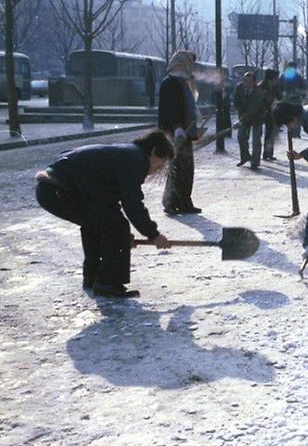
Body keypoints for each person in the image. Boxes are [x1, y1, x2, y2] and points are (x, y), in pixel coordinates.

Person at [35, 130, 174, 298]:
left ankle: (93, 278)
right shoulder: (135, 159)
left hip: (53, 189)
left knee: (102, 225)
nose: (159, 168)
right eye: (161, 162)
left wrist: (121, 239)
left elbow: (107, 202)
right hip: (58, 190)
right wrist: (153, 235)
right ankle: (108, 283)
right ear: (153, 152)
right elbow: (133, 204)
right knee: (115, 227)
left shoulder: (126, 154)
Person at [158, 50, 201, 215]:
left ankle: (182, 201)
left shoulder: (182, 82)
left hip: (184, 132)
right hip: (176, 133)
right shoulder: (170, 83)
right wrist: (176, 127)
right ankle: (173, 202)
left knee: (185, 169)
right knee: (178, 168)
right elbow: (169, 110)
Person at [233, 72, 267, 169]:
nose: (246, 83)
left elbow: (254, 109)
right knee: (241, 137)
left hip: (257, 117)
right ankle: (245, 157)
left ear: (254, 82)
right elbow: (236, 102)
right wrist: (241, 116)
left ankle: (255, 162)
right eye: (244, 81)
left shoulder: (258, 92)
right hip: (244, 116)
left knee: (256, 140)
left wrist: (241, 120)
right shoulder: (239, 88)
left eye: (249, 81)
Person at [258, 69, 281, 162]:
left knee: (271, 133)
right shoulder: (260, 87)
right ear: (271, 79)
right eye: (276, 78)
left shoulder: (275, 87)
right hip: (259, 113)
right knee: (258, 134)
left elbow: (280, 97)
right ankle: (258, 155)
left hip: (270, 113)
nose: (278, 79)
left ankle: (268, 154)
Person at [279, 62, 306, 137]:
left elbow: (279, 88)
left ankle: (292, 133)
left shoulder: (283, 76)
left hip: (288, 101)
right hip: (295, 101)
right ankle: (295, 134)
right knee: (295, 117)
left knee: (291, 117)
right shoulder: (298, 76)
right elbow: (303, 88)